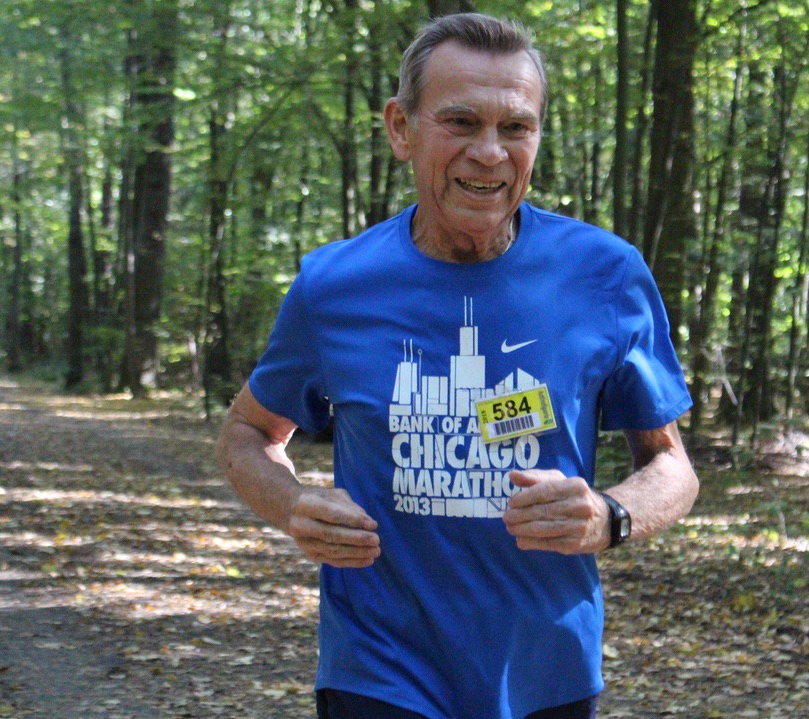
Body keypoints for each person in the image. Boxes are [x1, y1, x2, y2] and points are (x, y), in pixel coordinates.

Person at [215, 13, 698, 719]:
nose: (489, 152)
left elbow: (672, 465)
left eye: (516, 127)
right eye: (462, 122)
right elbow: (246, 433)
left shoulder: (605, 275)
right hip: (378, 670)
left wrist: (610, 515)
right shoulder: (335, 286)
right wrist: (292, 505)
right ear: (401, 128)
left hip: (546, 670)